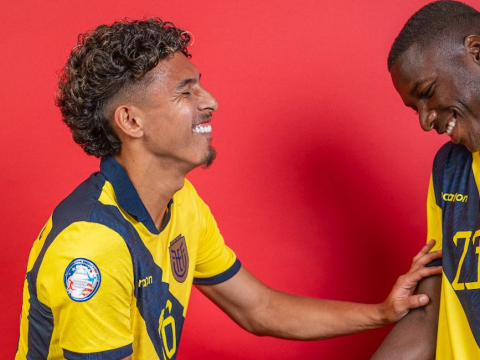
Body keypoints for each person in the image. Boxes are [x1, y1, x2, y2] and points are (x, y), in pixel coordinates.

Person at [15, 18, 442, 360]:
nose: (211, 100)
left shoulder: (181, 202)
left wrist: (383, 313)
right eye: (186, 92)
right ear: (131, 121)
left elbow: (258, 308)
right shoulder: (91, 248)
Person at [372, 1, 480, 359]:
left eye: (428, 91)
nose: (424, 120)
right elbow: (429, 312)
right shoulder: (449, 170)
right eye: (413, 107)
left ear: (476, 52)